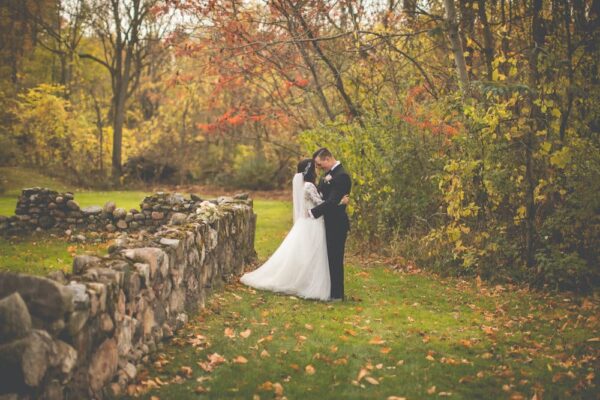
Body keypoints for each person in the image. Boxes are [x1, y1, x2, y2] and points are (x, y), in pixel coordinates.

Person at [240, 158, 348, 301]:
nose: (317, 169)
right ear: (309, 170)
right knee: (313, 255)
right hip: (313, 224)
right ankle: (311, 284)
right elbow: (321, 204)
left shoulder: (306, 185)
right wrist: (341, 202)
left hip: (309, 222)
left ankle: (310, 282)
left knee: (309, 255)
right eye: (314, 167)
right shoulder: (309, 186)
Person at [309, 148, 352, 301]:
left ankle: (337, 295)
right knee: (326, 258)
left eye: (320, 165)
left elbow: (332, 201)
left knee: (335, 258)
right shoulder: (328, 175)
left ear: (327, 159)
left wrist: (312, 213)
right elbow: (322, 195)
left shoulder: (342, 176)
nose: (319, 168)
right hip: (326, 222)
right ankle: (327, 291)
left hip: (336, 224)